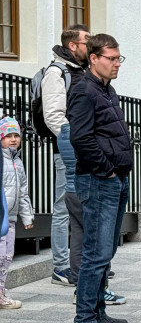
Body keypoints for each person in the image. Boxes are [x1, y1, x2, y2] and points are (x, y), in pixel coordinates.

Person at [68, 34, 133, 323]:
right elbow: (80, 137)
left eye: (119, 58)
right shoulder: (83, 90)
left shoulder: (107, 89)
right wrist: (106, 170)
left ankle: (98, 312)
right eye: (112, 58)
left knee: (106, 250)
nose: (117, 63)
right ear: (94, 58)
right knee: (96, 252)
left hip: (116, 179)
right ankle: (83, 321)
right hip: (99, 181)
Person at [42, 24, 90, 286]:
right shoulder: (56, 72)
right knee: (62, 207)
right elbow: (53, 116)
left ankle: (84, 264)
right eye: (86, 41)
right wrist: (74, 143)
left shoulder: (80, 70)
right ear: (73, 45)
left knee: (83, 206)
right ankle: (61, 268)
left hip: (83, 150)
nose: (90, 45)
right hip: (68, 152)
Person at [0, 117, 34, 309]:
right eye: (8, 136)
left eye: (16, 135)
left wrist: (27, 216)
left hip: (11, 219)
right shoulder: (1, 160)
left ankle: (1, 292)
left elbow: (23, 192)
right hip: (1, 218)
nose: (13, 139)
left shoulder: (18, 162)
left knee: (7, 256)